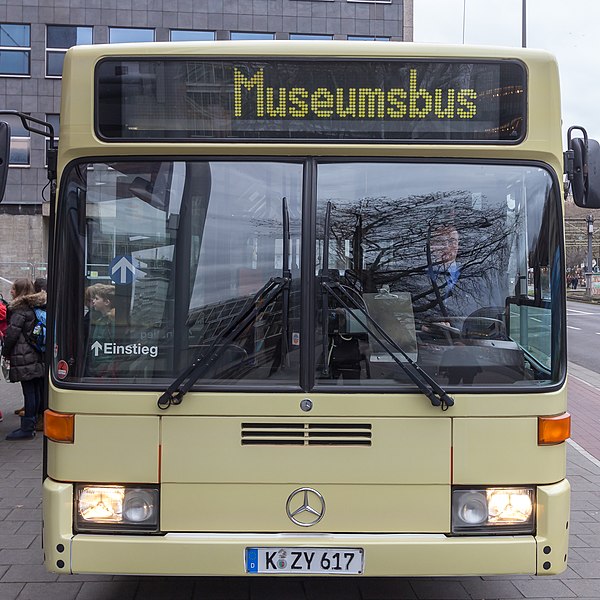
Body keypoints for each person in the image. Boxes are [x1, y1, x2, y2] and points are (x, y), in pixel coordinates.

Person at [1, 278, 46, 440]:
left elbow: (12, 333)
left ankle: (27, 428)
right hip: (36, 352)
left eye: (13, 289)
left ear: (19, 291)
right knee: (35, 389)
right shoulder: (35, 306)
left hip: (23, 354)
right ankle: (35, 422)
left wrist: (5, 351)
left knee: (29, 391)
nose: (11, 291)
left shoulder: (19, 309)